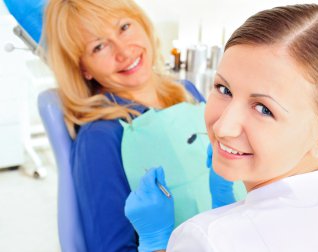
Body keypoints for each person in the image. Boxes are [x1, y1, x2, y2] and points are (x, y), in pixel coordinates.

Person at [125, 4, 318, 252]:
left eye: (263, 109)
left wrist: (155, 242)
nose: (223, 127)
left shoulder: (205, 239)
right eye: (224, 89)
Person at [43, 0, 204, 251]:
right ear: (83, 67)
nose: (124, 52)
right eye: (99, 46)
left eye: (124, 27)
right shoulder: (100, 138)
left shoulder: (188, 92)